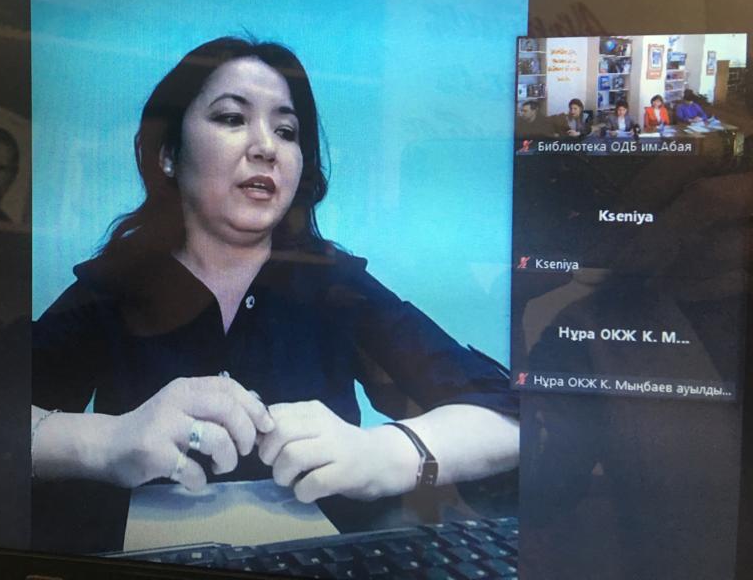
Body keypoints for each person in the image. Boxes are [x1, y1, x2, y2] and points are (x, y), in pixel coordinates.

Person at [31, 37, 518, 513]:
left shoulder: (335, 286)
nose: (267, 147)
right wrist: (106, 442)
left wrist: (384, 454)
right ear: (169, 154)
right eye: (231, 118)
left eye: (286, 131)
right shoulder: (114, 287)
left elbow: (513, 412)